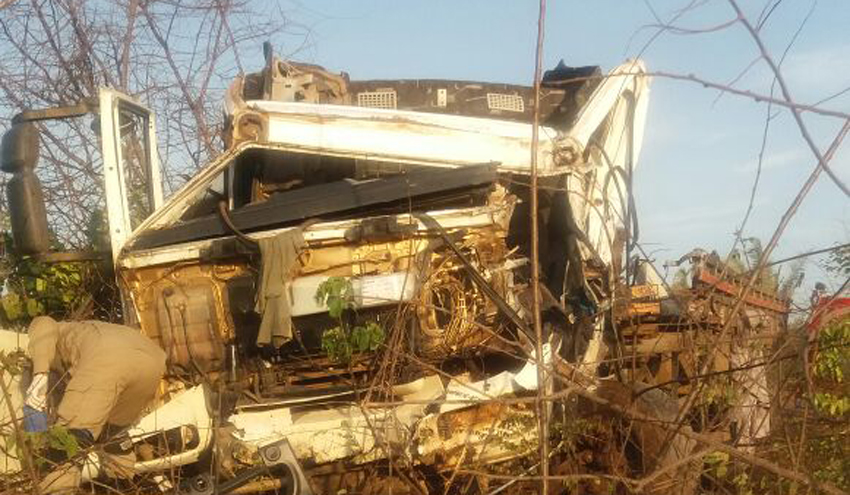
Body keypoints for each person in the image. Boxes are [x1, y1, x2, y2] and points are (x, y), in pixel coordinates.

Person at [22, 316, 167, 493]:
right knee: (115, 437)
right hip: (153, 361)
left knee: (67, 446)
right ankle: (123, 486)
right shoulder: (91, 331)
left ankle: (57, 489)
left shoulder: (60, 331)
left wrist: (39, 374)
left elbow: (43, 322)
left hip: (107, 356)